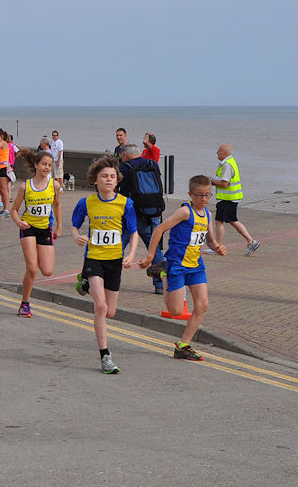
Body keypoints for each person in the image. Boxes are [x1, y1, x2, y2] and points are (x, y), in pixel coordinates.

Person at [140, 175, 228, 361]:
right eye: (199, 195)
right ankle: (163, 273)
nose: (204, 199)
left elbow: (210, 241)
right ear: (190, 194)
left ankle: (183, 345)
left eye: (207, 195)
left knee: (202, 305)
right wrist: (150, 257)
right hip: (177, 265)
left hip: (195, 265)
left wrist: (218, 247)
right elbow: (159, 229)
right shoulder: (185, 212)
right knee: (176, 311)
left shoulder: (208, 214)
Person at [71, 156, 139, 375]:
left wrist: (131, 254)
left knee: (110, 312)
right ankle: (105, 356)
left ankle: (85, 283)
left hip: (115, 261)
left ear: (117, 181)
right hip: (94, 258)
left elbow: (134, 232)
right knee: (100, 307)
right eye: (104, 177)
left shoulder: (125, 203)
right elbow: (75, 224)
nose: (109, 180)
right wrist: (77, 236)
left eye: (112, 176)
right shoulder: (87, 202)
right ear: (95, 180)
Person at [10, 149, 62, 317]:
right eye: (44, 164)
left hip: (45, 229)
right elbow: (14, 210)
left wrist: (59, 227)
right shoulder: (25, 186)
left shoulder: (54, 185)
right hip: (28, 227)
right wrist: (18, 222)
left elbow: (57, 206)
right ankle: (25, 303)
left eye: (49, 165)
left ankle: (40, 252)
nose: (47, 168)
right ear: (36, 165)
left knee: (47, 271)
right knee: (32, 269)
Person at [118, 144, 166, 294]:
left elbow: (121, 192)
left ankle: (110, 278)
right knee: (154, 248)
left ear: (125, 155)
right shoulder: (153, 165)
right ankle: (160, 284)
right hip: (152, 213)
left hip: (131, 214)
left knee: (117, 246)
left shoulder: (125, 168)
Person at [210, 144, 260, 255]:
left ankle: (218, 247)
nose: (216, 153)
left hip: (227, 198)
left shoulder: (227, 165)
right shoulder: (230, 162)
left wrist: (212, 181)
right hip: (232, 198)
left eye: (218, 151)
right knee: (233, 220)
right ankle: (251, 241)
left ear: (225, 153)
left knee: (219, 221)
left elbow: (225, 183)